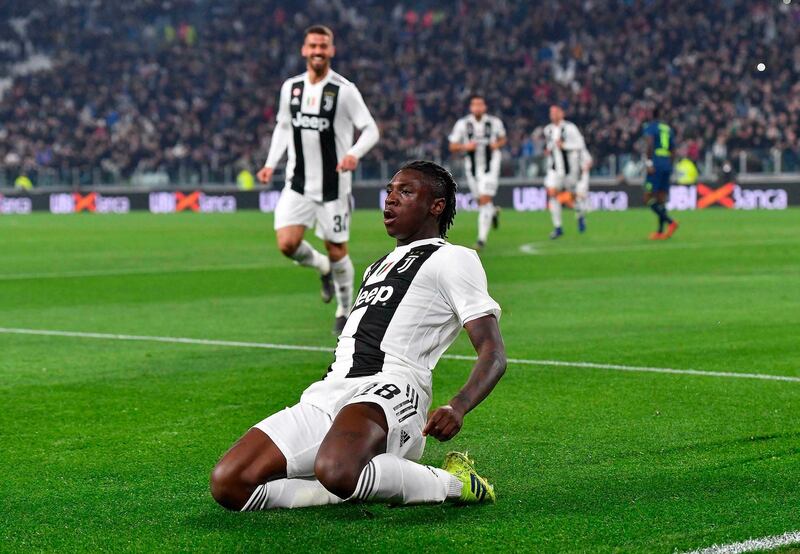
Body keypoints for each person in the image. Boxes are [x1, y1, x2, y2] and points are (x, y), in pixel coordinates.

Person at [211, 161, 507, 511]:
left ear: (436, 206)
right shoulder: (377, 266)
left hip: (392, 390)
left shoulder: (454, 259)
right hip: (330, 393)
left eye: (406, 192)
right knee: (230, 483)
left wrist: (457, 406)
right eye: (390, 192)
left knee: (336, 468)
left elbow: (493, 351)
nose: (391, 200)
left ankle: (456, 483)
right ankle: (349, 484)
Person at [257, 25, 380, 333]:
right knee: (287, 244)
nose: (317, 51)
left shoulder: (344, 90)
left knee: (337, 249)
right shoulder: (291, 88)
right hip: (297, 183)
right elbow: (284, 127)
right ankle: (321, 266)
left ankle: (344, 308)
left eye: (323, 46)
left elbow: (371, 129)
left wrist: (354, 153)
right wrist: (270, 163)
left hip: (333, 188)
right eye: (313, 46)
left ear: (331, 51)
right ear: (304, 49)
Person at [448, 95, 507, 251]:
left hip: (490, 164)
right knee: (481, 202)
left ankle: (481, 239)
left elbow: (502, 139)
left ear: (485, 107)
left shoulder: (494, 122)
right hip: (472, 167)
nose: (477, 107)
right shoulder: (462, 124)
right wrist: (465, 147)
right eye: (474, 104)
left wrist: (496, 144)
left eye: (480, 104)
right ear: (471, 107)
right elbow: (452, 146)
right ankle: (493, 212)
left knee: (484, 199)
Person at [543, 105, 587, 239]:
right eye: (551, 112)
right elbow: (550, 146)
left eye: (556, 112)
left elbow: (580, 145)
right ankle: (558, 227)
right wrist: (549, 150)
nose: (553, 114)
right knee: (552, 193)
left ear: (562, 113)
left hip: (570, 169)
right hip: (555, 169)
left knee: (572, 196)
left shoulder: (570, 128)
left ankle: (580, 214)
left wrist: (565, 146)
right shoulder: (548, 130)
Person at [642, 107, 679, 240]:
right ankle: (660, 232)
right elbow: (674, 149)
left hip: (656, 165)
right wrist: (670, 165)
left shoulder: (651, 127)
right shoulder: (668, 129)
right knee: (661, 200)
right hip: (666, 165)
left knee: (647, 198)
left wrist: (649, 162)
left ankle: (671, 222)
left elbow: (650, 143)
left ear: (652, 115)